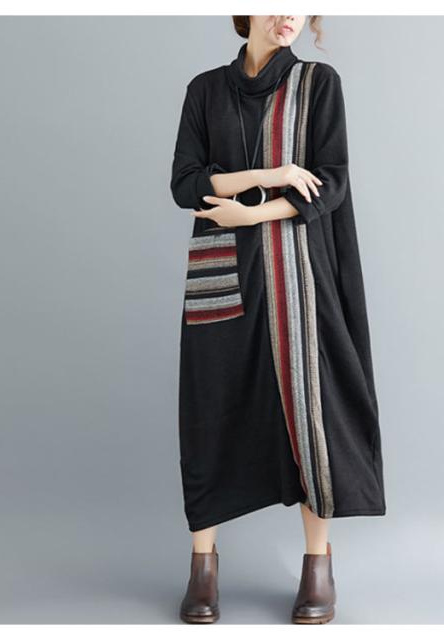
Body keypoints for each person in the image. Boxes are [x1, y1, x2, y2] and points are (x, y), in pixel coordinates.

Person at [170, 15, 386, 624]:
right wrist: (271, 177)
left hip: (299, 270)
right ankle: (203, 566)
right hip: (221, 270)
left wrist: (250, 212)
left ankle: (318, 564)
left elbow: (332, 182)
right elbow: (184, 183)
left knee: (312, 407)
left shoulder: (319, 84)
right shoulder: (205, 90)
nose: (288, 13)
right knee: (211, 407)